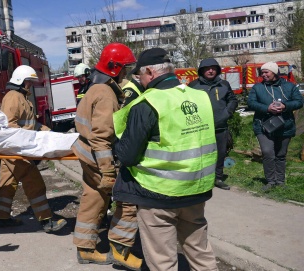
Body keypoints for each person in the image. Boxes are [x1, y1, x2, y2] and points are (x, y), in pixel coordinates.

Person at [112, 48, 218, 271]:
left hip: (158, 194)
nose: (139, 81)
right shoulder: (200, 96)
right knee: (200, 252)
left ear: (149, 72)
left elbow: (128, 155)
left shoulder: (148, 103)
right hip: (196, 189)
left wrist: (115, 144)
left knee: (163, 260)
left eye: (139, 75)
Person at [72, 43, 139, 266]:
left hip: (86, 153)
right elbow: (101, 138)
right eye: (125, 68)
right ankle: (120, 251)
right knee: (126, 200)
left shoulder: (94, 88)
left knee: (94, 198)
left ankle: (85, 249)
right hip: (97, 157)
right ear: (115, 68)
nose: (126, 73)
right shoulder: (106, 94)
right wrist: (108, 171)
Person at [0, 65, 67, 232]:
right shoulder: (14, 98)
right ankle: (46, 220)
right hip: (16, 149)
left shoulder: (22, 98)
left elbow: (32, 125)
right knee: (35, 183)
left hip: (14, 148)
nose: (31, 85)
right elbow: (8, 126)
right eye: (29, 82)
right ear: (21, 81)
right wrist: (27, 139)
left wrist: (51, 134)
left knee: (7, 184)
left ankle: (2, 217)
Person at [105, 68, 146, 271]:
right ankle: (119, 251)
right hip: (128, 154)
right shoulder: (132, 92)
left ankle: (121, 248)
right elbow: (125, 123)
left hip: (130, 153)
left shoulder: (137, 90)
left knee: (129, 203)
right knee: (128, 203)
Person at [247, 61, 303, 191]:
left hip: (285, 126)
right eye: (262, 72)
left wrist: (285, 106)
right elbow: (251, 103)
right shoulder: (258, 87)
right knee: (268, 152)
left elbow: (299, 102)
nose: (263, 75)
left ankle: (280, 181)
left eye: (266, 72)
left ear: (274, 72)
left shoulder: (289, 86)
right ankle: (271, 181)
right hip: (263, 126)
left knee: (281, 154)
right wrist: (267, 108)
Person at [189, 58, 238, 190]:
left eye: (213, 68)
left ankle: (218, 178)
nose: (211, 71)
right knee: (201, 153)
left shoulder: (224, 84)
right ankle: (201, 178)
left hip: (220, 126)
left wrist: (227, 113)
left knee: (220, 153)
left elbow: (232, 100)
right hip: (200, 128)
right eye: (207, 68)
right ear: (202, 70)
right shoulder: (193, 85)